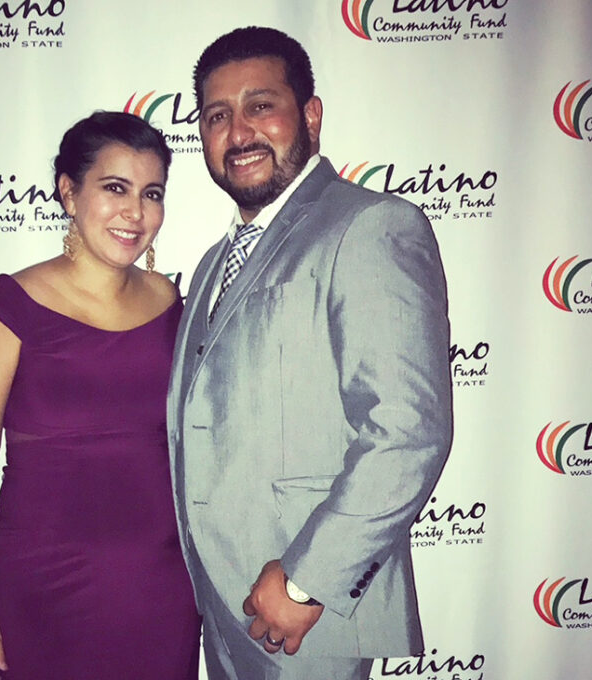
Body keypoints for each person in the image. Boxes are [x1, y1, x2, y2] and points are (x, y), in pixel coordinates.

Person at [167, 27, 453, 680]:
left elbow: (407, 429)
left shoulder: (369, 225)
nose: (238, 132)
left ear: (311, 115)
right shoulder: (214, 262)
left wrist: (306, 582)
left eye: (260, 105)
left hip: (302, 611)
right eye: (217, 116)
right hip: (220, 599)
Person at [0, 111, 201, 680]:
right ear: (68, 191)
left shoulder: (170, 301)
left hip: (160, 585)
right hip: (41, 585)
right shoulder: (8, 308)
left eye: (151, 193)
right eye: (115, 188)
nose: (135, 213)